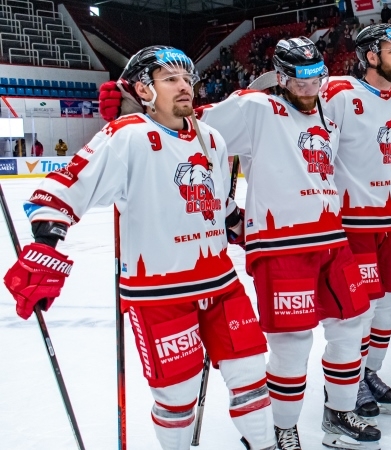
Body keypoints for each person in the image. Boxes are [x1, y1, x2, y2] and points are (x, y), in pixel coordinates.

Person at [3, 46, 276, 450]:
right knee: (177, 395)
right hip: (158, 292)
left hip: (220, 283)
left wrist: (244, 231)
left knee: (251, 375)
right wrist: (45, 247)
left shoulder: (212, 138)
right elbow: (64, 190)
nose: (184, 87)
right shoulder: (126, 136)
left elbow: (219, 202)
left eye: (187, 79)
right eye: (170, 80)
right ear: (145, 91)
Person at [197, 37, 380, 449]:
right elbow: (192, 133)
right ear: (281, 78)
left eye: (316, 78)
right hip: (281, 246)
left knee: (351, 327)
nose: (309, 88)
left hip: (332, 239)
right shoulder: (257, 108)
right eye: (299, 80)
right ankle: (283, 428)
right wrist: (224, 210)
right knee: (293, 343)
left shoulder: (325, 115)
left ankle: (338, 414)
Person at [320, 23, 391, 423]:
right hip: (353, 223)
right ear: (370, 56)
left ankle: (369, 372)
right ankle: (348, 381)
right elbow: (317, 147)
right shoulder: (341, 94)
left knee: (387, 307)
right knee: (357, 311)